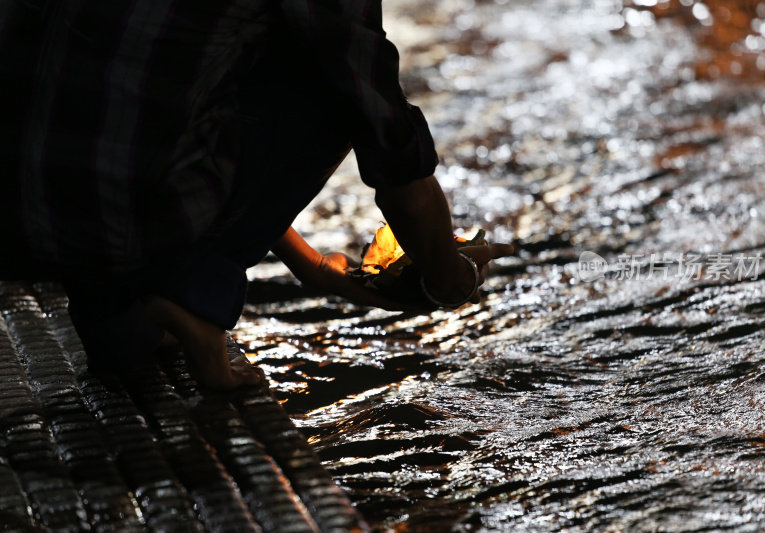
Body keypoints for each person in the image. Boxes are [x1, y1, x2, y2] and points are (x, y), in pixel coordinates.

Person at [0, 0, 514, 389]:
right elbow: (390, 147)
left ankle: (127, 314)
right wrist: (447, 279)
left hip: (25, 220)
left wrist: (310, 264)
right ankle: (194, 297)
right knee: (345, 82)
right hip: (121, 206)